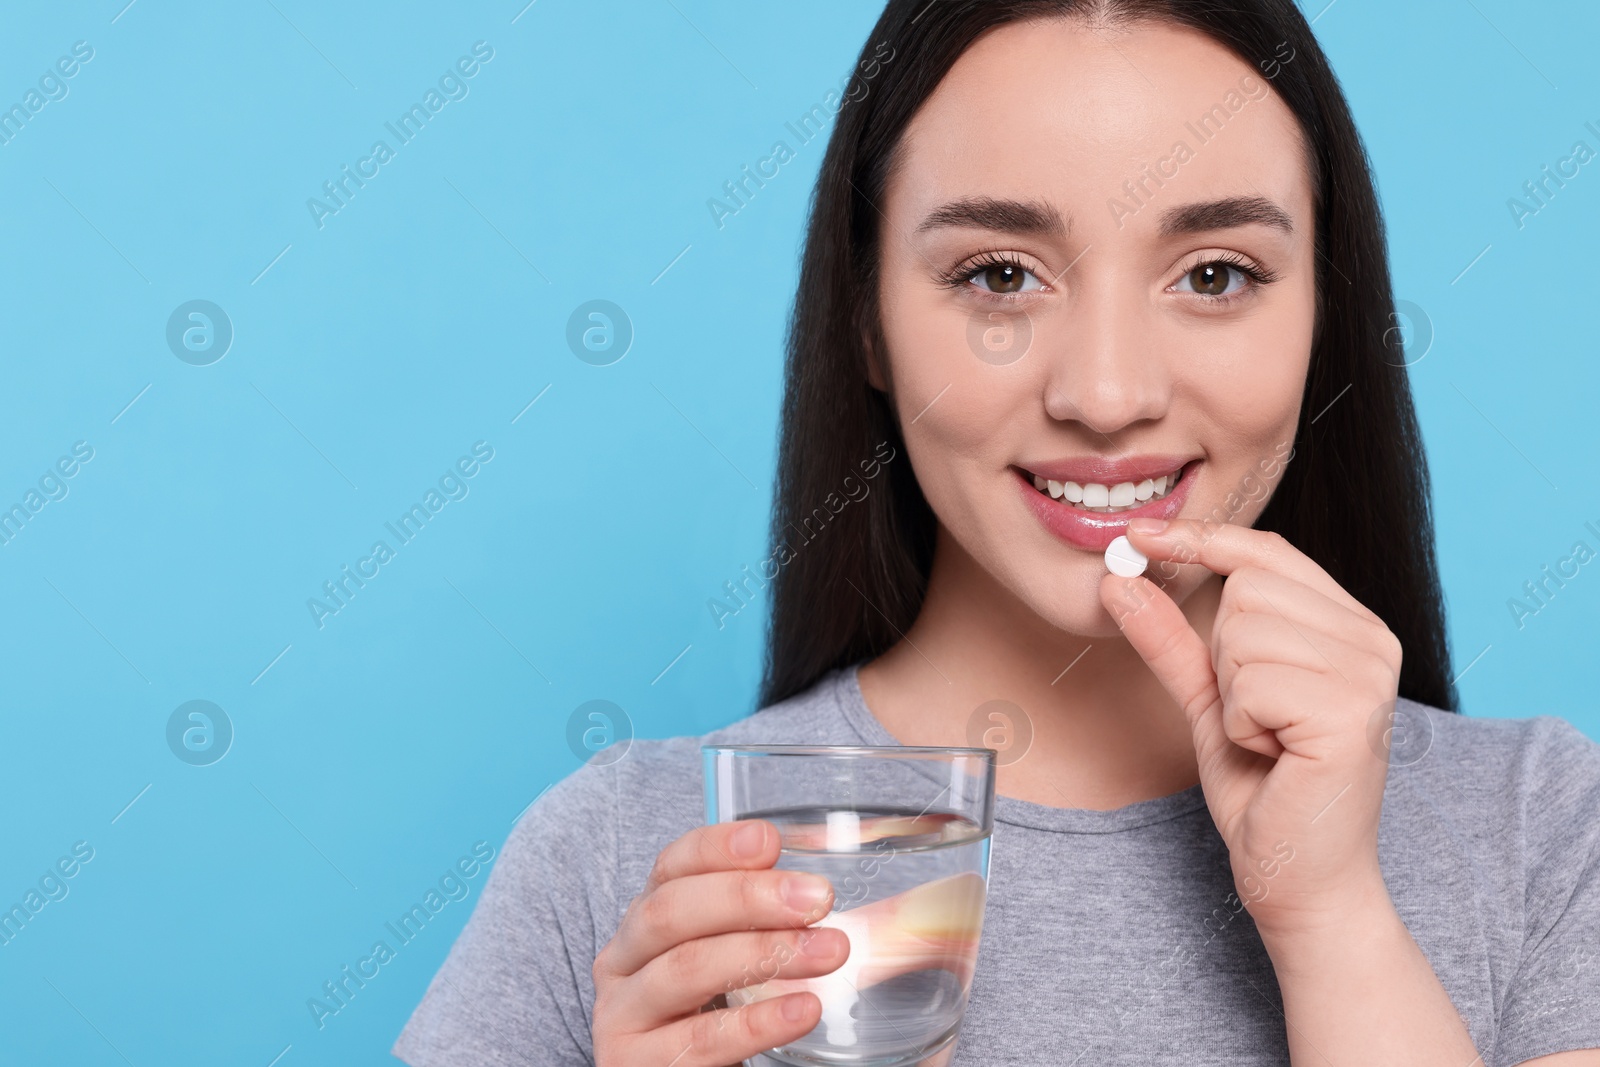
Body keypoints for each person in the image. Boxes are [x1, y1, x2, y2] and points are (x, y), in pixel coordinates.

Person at [392, 1, 1600, 1064]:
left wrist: (1331, 913)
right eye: (1001, 276)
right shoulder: (618, 859)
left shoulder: (1543, 828)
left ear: (1324, 316)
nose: (1108, 390)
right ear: (865, 319)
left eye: (1217, 273)